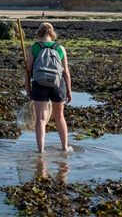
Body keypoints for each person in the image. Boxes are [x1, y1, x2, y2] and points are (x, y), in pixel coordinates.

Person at [23, 21, 73, 153]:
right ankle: (65, 147)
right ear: (52, 32)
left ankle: (40, 150)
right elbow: (66, 72)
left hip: (39, 83)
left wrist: (28, 89)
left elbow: (28, 71)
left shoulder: (35, 47)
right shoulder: (60, 48)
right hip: (57, 84)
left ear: (39, 32)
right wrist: (69, 91)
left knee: (40, 118)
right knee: (59, 116)